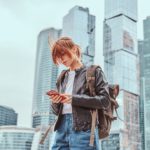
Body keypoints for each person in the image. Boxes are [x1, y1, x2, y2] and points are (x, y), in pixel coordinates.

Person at [49, 37, 110, 150]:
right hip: (61, 129)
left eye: (62, 54)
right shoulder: (62, 77)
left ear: (73, 49)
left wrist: (74, 99)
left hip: (84, 129)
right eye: (58, 57)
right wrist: (55, 102)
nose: (61, 60)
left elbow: (105, 100)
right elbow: (56, 111)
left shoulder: (94, 71)